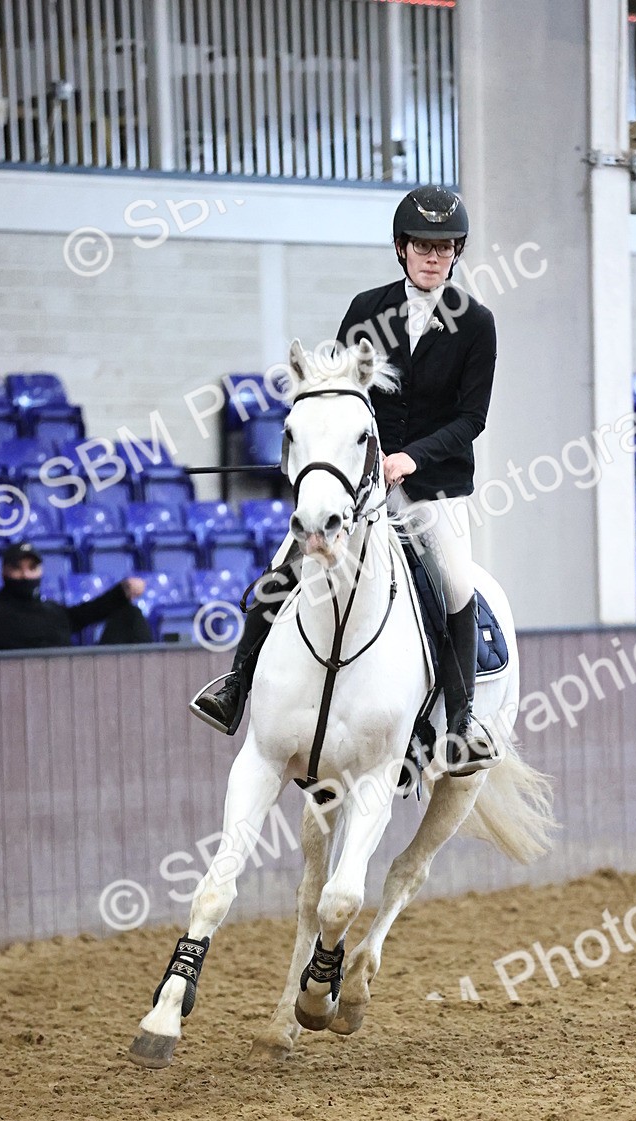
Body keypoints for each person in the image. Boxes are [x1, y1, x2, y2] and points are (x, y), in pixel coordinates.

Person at [196, 185, 498, 774]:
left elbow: (471, 418)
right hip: (361, 482)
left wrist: (410, 458)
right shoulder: (367, 309)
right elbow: (336, 391)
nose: (433, 256)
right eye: (422, 246)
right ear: (402, 248)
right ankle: (235, 685)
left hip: (432, 486)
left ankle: (460, 724)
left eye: (444, 247)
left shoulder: (476, 323)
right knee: (285, 565)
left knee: (455, 584)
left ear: (456, 253)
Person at [0, 541, 151, 652]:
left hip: (69, 689)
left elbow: (90, 611)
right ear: (4, 572)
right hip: (11, 695)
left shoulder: (54, 613)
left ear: (41, 572)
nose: (25, 575)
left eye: (32, 568)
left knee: (130, 614)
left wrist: (122, 591)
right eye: (17, 568)